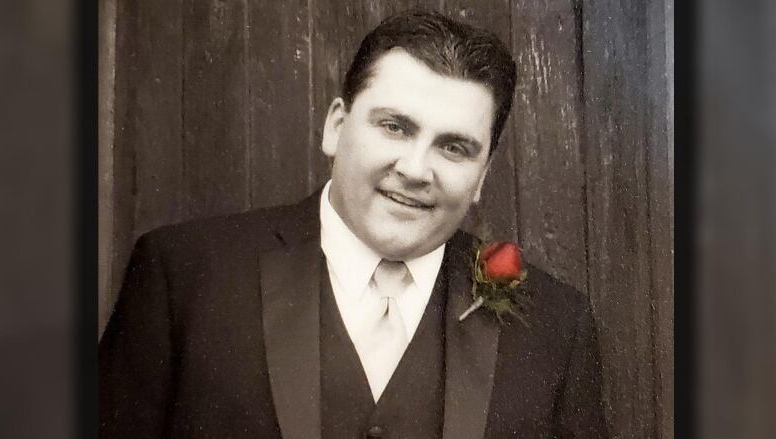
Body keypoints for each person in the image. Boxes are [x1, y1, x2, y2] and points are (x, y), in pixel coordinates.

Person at [99, 10, 608, 439]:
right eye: (394, 127)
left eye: (453, 147)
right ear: (336, 127)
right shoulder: (184, 276)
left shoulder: (555, 327)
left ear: (482, 176)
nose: (414, 169)